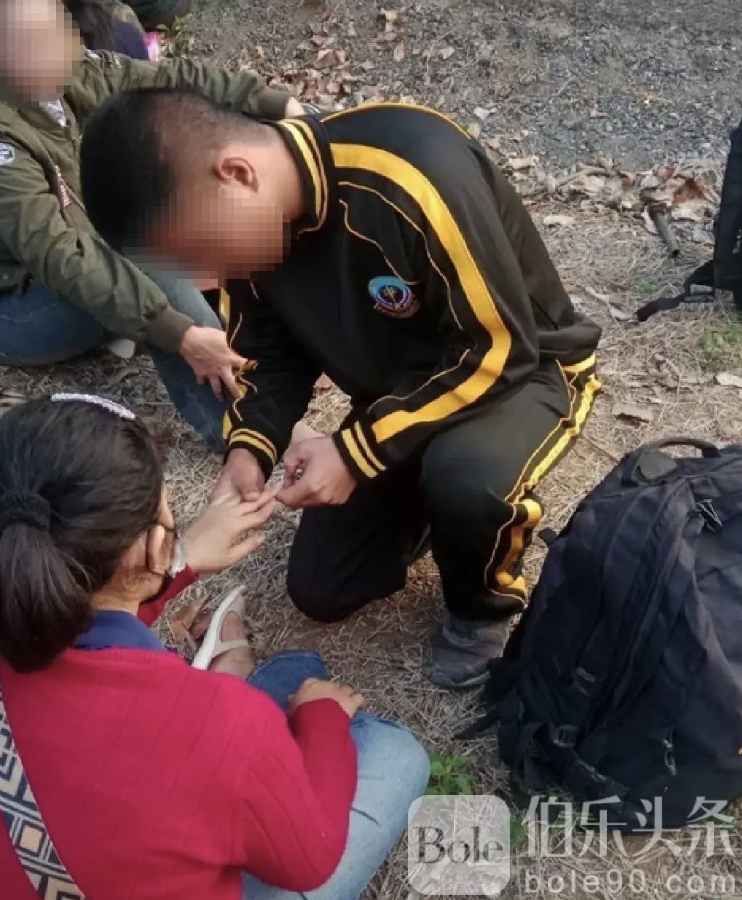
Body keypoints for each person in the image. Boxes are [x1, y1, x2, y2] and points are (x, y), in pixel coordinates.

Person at [79, 90, 604, 689]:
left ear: (238, 174)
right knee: (322, 588)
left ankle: (480, 608)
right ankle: (431, 502)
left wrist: (356, 454)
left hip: (520, 374)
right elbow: (268, 358)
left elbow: (499, 350)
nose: (208, 278)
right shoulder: (247, 235)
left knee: (467, 479)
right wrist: (250, 449)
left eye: (200, 253)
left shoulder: (414, 173)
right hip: (398, 396)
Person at [0, 394, 429, 900]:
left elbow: (64, 613)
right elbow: (309, 859)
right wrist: (323, 719)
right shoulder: (220, 726)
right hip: (200, 752)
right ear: (148, 544)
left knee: (292, 675)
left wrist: (179, 558)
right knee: (393, 753)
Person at [0, 0, 304, 446]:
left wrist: (277, 104)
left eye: (63, 34)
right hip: (2, 308)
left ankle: (256, 343)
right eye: (42, 44)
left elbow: (169, 84)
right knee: (151, 269)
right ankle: (250, 425)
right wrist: (177, 332)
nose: (68, 50)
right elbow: (58, 253)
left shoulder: (64, 75)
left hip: (67, 262)